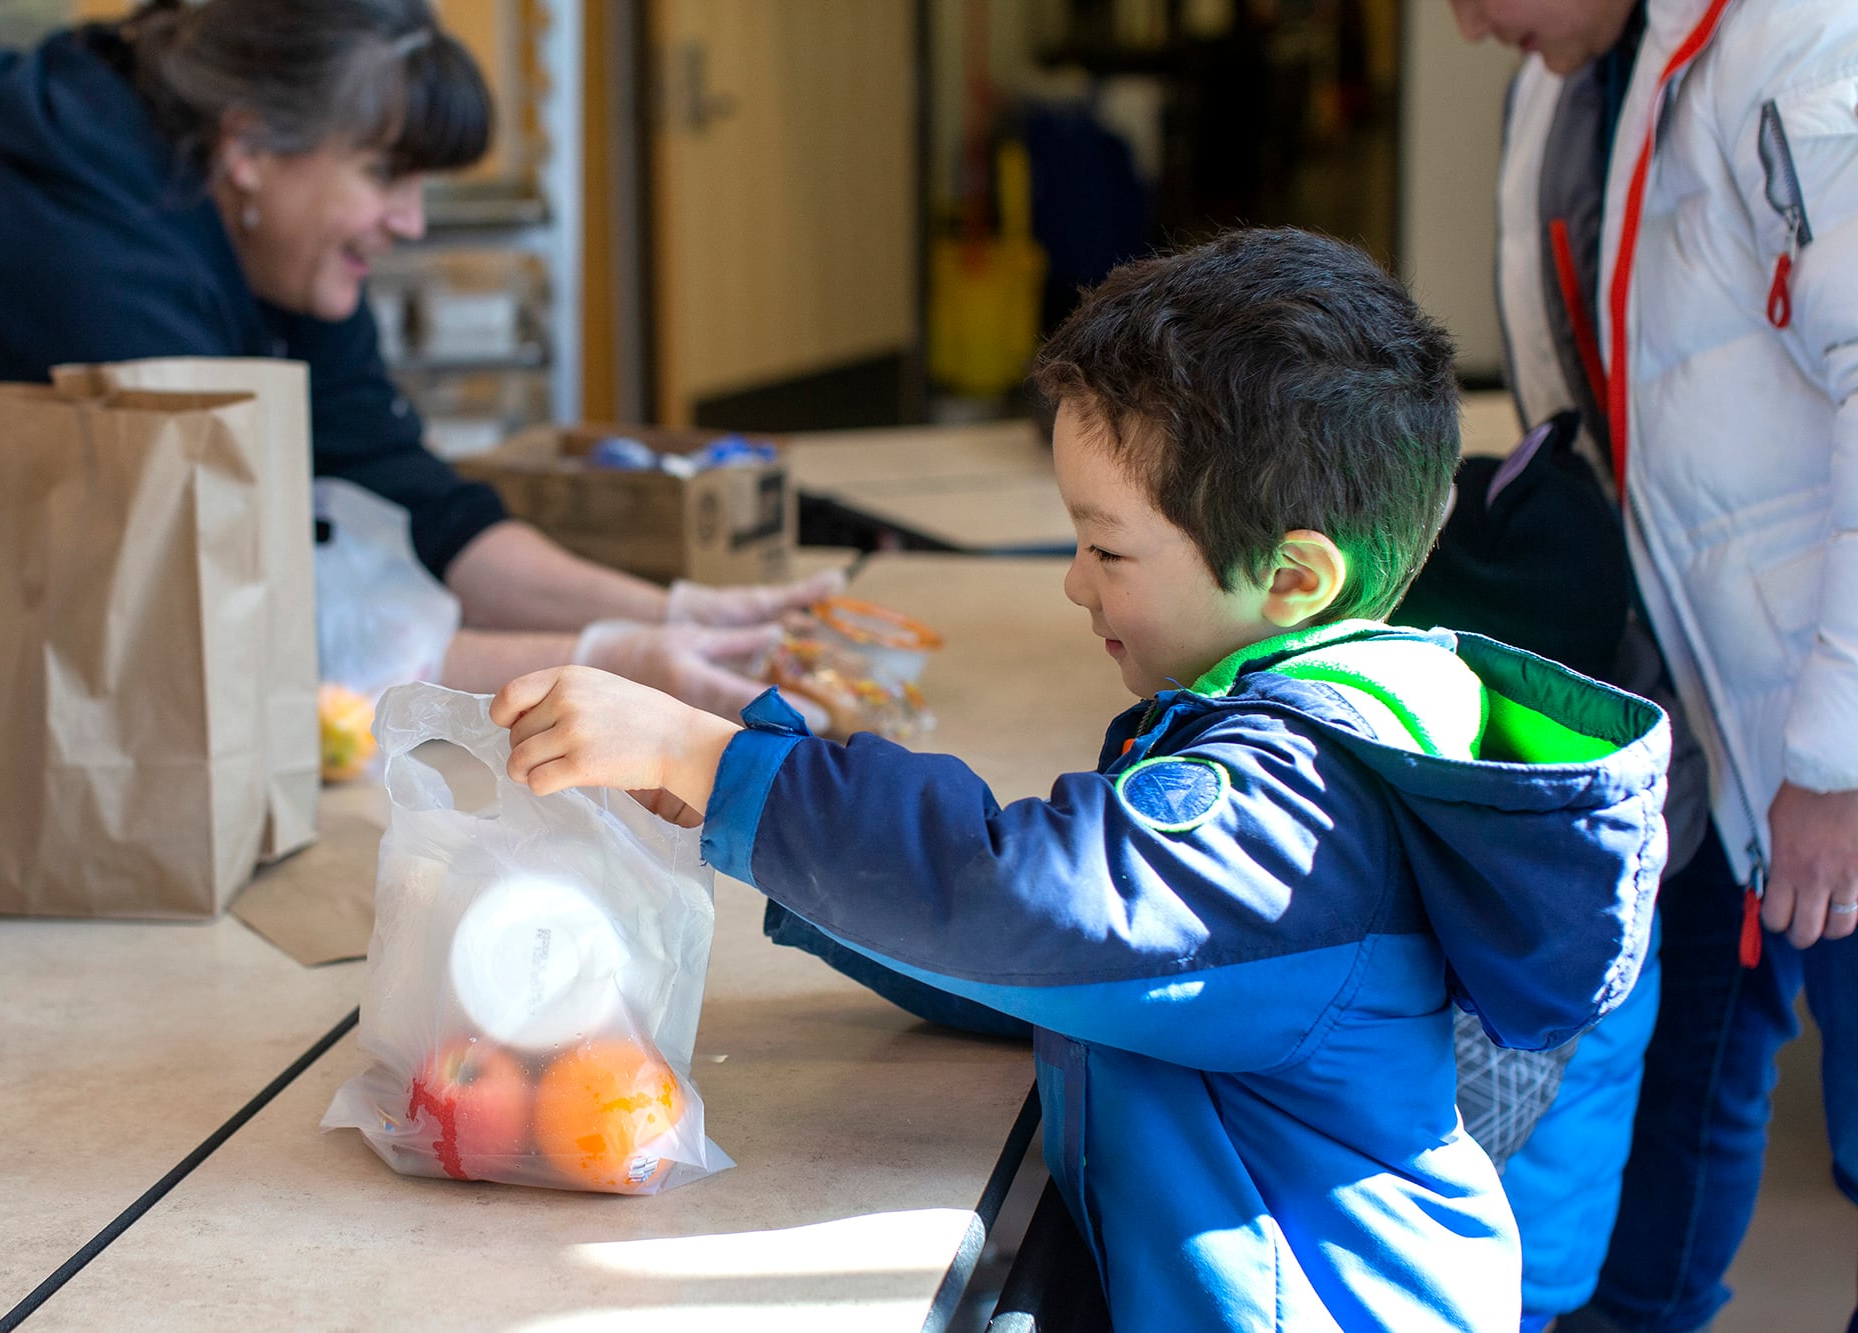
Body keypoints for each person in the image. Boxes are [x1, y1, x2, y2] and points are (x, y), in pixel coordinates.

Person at [485, 229, 1672, 1330]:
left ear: (1293, 577)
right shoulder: (1282, 729)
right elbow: (1069, 968)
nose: (1072, 583)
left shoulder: (1294, 800)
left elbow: (1040, 901)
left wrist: (716, 761)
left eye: (1105, 548)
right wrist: (753, 805)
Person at [0, 0, 830, 805]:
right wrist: (604, 665)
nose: (409, 222)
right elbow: (224, 624)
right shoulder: (88, 270)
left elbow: (414, 496)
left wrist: (679, 619)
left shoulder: (254, 228)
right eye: (385, 175)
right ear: (250, 146)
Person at [1450, 2, 1858, 1331]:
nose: (1464, 22)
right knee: (1681, 1113)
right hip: (1710, 713)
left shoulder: (1804, 45)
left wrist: (1838, 759)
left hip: (1821, 730)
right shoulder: (1569, 71)